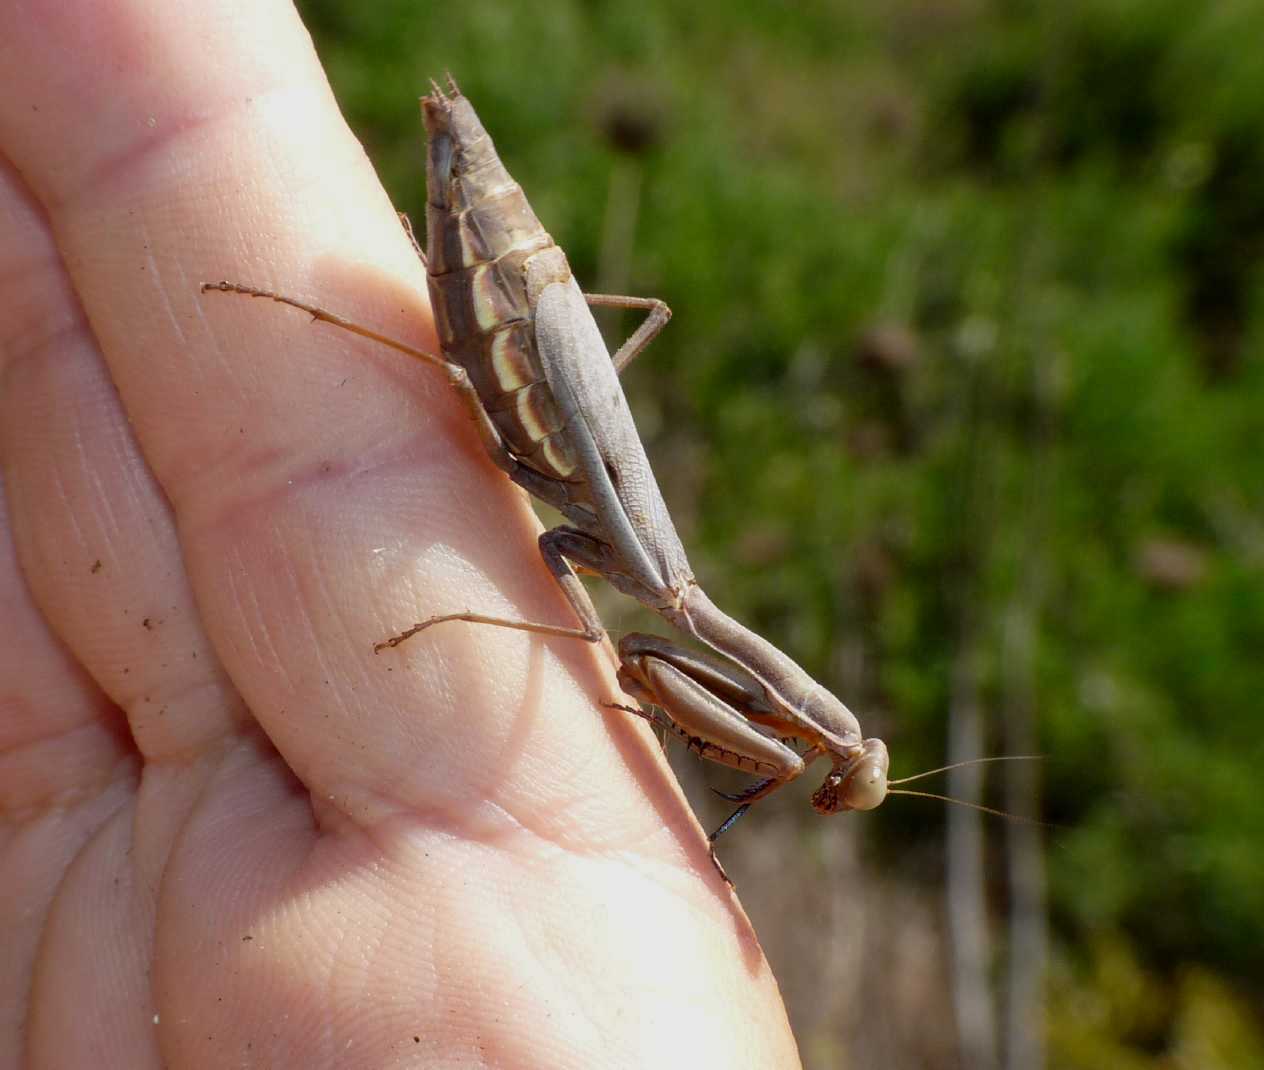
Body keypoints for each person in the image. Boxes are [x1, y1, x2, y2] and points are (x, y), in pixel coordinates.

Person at [0, 2, 798, 1064]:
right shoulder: (668, 588)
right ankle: (332, 319)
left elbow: (604, 609)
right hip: (524, 312)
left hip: (537, 315)